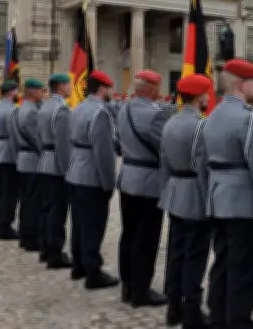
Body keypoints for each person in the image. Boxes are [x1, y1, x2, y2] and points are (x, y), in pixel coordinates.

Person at [204, 59, 253, 329]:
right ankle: (237, 321)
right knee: (244, 269)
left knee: (222, 262)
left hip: (217, 201)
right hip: (245, 204)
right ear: (239, 84)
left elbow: (202, 164)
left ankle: (217, 315)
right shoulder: (250, 118)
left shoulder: (211, 117)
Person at [159, 73, 214, 328]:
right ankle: (192, 311)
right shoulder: (203, 125)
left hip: (174, 193)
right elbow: (203, 168)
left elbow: (164, 164)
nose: (207, 98)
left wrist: (166, 191)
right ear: (198, 96)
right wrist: (209, 201)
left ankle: (173, 307)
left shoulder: (170, 123)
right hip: (195, 195)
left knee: (175, 253)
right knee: (195, 256)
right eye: (205, 94)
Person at [116, 70, 170, 307]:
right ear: (152, 89)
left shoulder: (123, 109)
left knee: (128, 235)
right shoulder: (157, 114)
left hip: (127, 177)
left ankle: (127, 286)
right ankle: (141, 291)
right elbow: (164, 149)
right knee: (146, 238)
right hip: (149, 181)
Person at [66, 70, 119, 289]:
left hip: (75, 171)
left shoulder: (77, 108)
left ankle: (78, 263)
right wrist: (108, 183)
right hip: (91, 176)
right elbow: (104, 153)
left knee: (78, 222)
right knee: (93, 225)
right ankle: (92, 271)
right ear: (103, 88)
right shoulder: (101, 113)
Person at [37, 73, 73, 269]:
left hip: (44, 161)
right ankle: (54, 253)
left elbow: (37, 136)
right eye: (68, 85)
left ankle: (44, 248)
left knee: (46, 209)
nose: (71, 88)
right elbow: (63, 145)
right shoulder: (61, 109)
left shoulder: (44, 106)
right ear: (61, 86)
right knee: (57, 212)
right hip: (56, 166)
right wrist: (67, 170)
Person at [10, 78, 46, 253]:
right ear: (33, 91)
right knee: (33, 202)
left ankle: (25, 235)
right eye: (41, 90)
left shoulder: (18, 109)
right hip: (32, 160)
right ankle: (31, 238)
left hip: (22, 157)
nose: (43, 93)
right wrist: (44, 154)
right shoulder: (31, 112)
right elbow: (37, 138)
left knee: (25, 200)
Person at [0, 81, 21, 240]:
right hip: (7, 152)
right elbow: (14, 135)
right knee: (8, 193)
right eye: (16, 91)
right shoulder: (12, 110)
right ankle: (5, 226)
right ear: (11, 92)